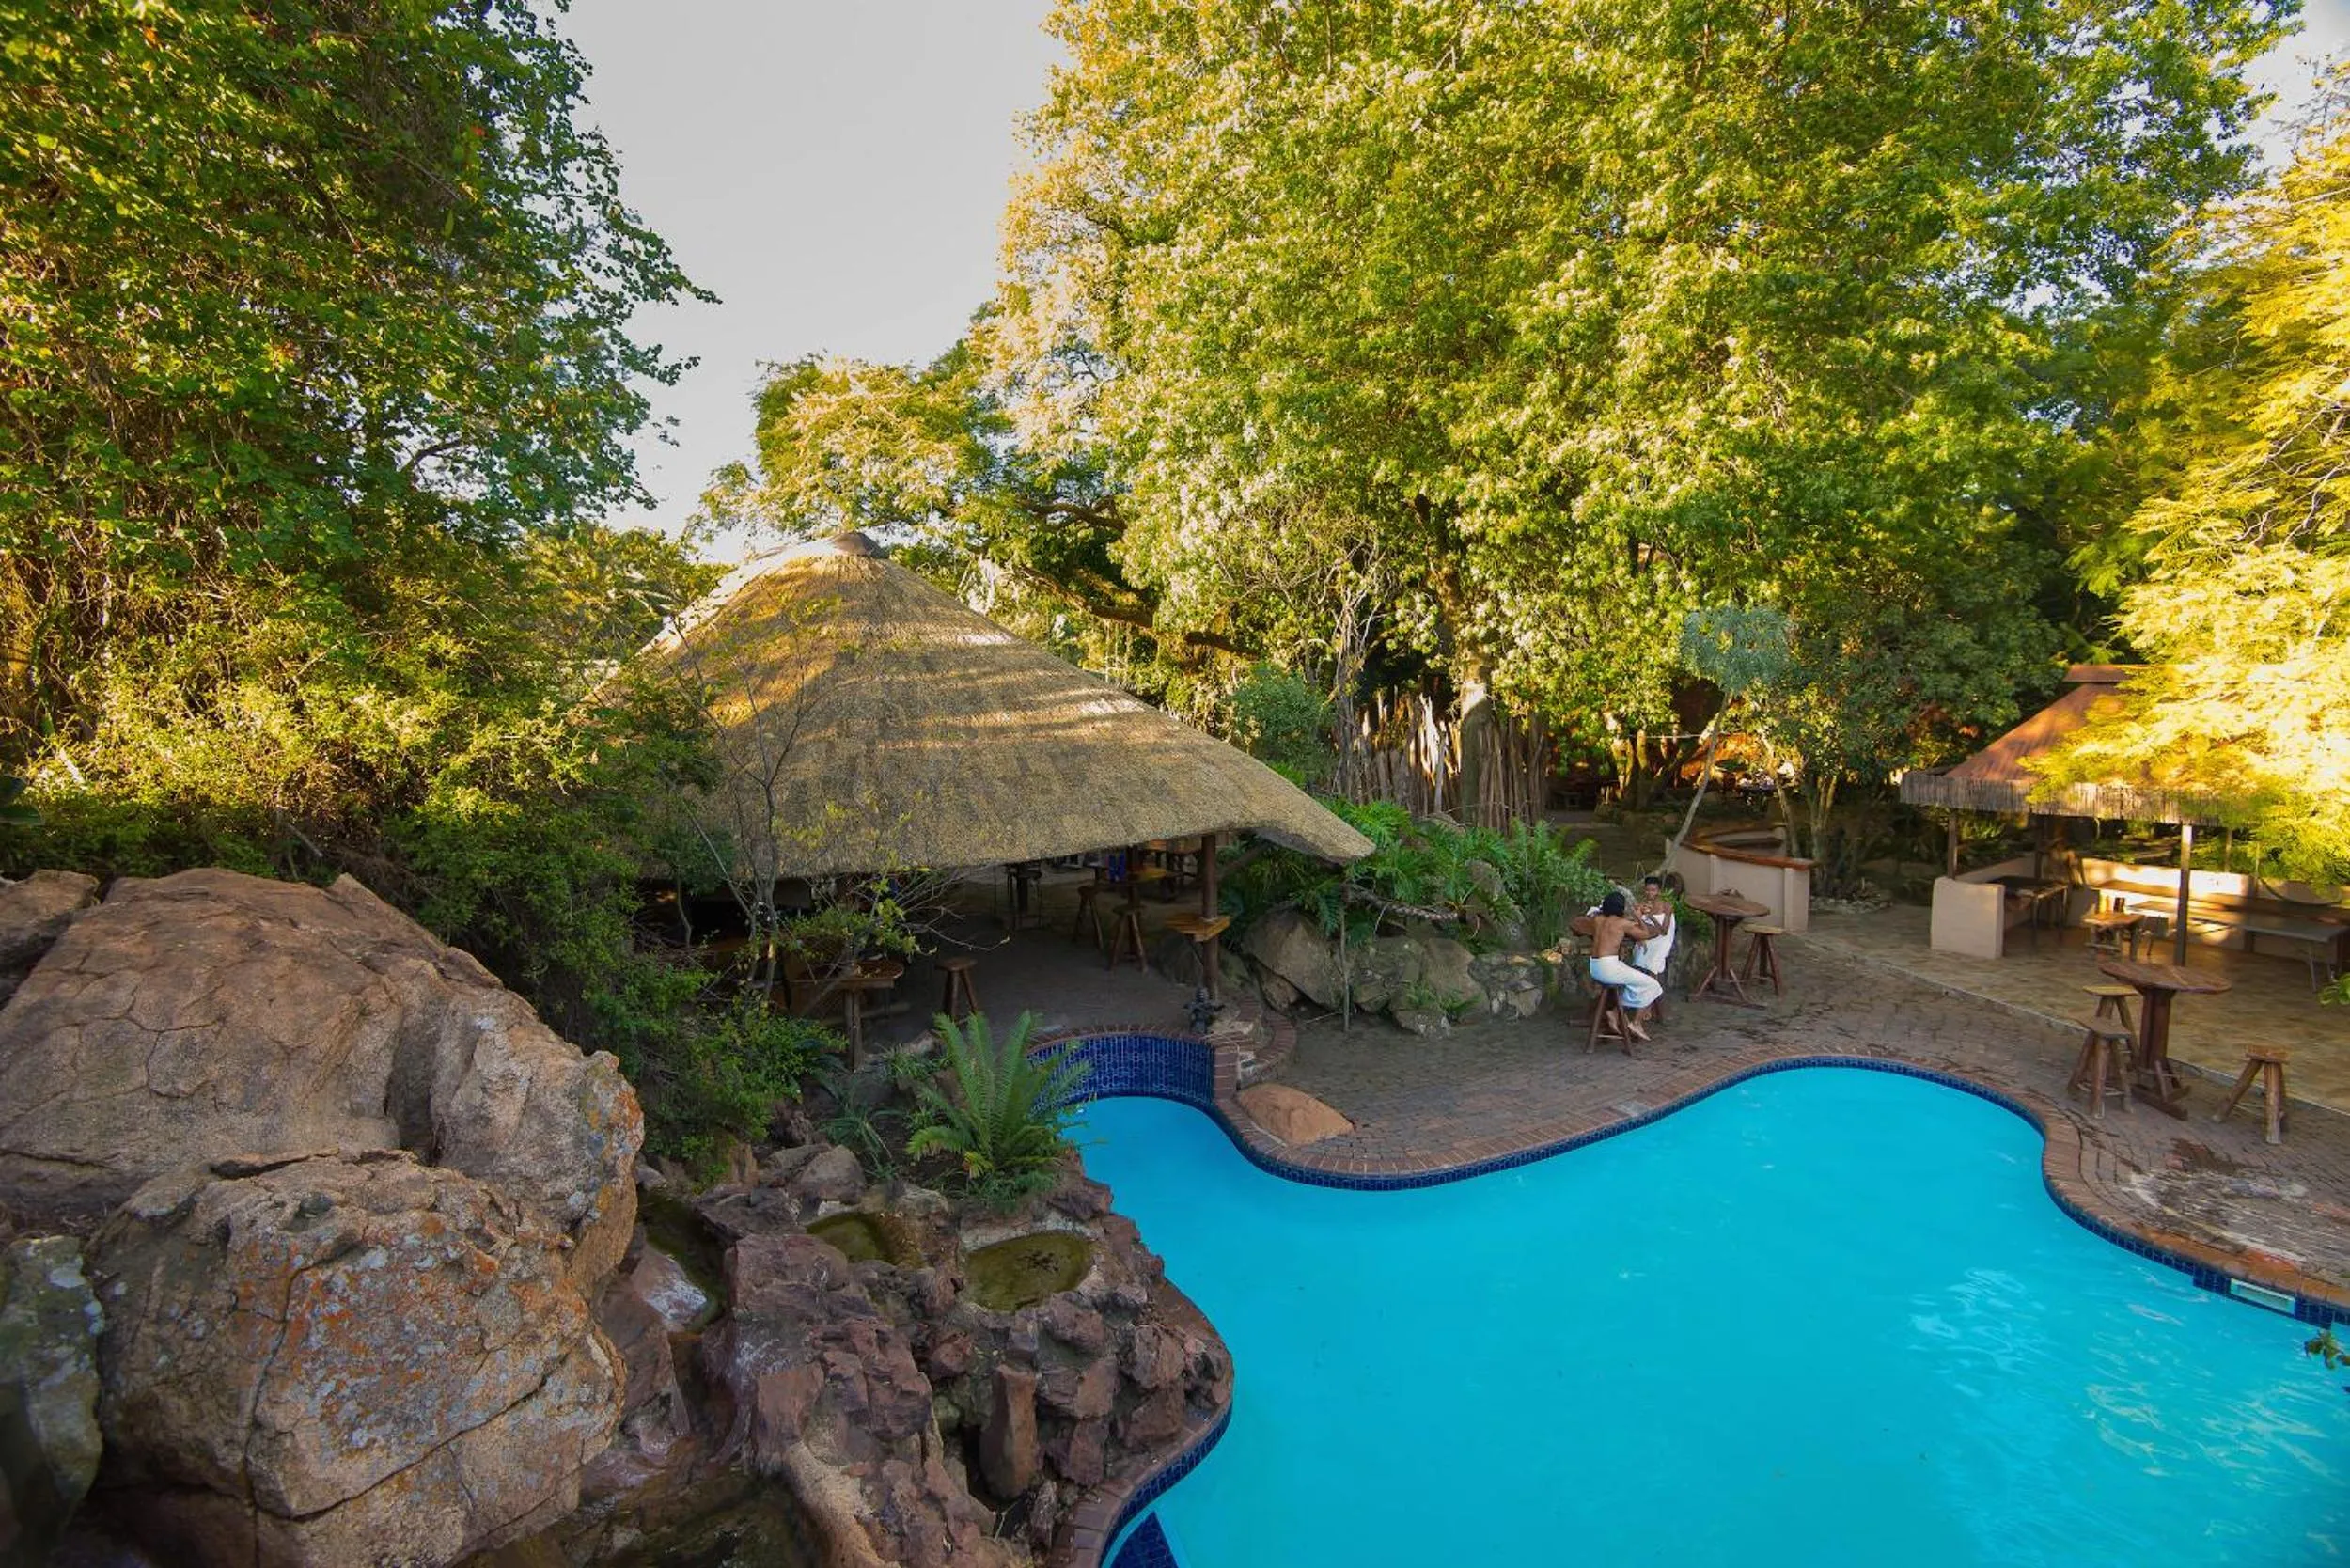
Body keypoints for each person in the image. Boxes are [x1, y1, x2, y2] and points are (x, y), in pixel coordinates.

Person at [1588, 890, 1666, 1040]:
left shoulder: (1598, 919)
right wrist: (1638, 917)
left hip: (1595, 966)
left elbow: (1595, 914)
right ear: (1621, 908)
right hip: (1608, 968)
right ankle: (1635, 1022)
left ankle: (1615, 1012)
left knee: (1630, 974)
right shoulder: (1622, 924)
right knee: (1652, 984)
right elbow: (1646, 934)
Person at [1632, 874, 1676, 978]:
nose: (1650, 893)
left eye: (1653, 890)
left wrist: (1651, 917)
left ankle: (1653, 989)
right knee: (1639, 958)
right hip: (1646, 936)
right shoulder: (1642, 905)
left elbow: (1664, 932)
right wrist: (1639, 938)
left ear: (1659, 891)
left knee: (1653, 963)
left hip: (1662, 940)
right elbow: (1636, 924)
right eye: (1647, 890)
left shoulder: (1666, 907)